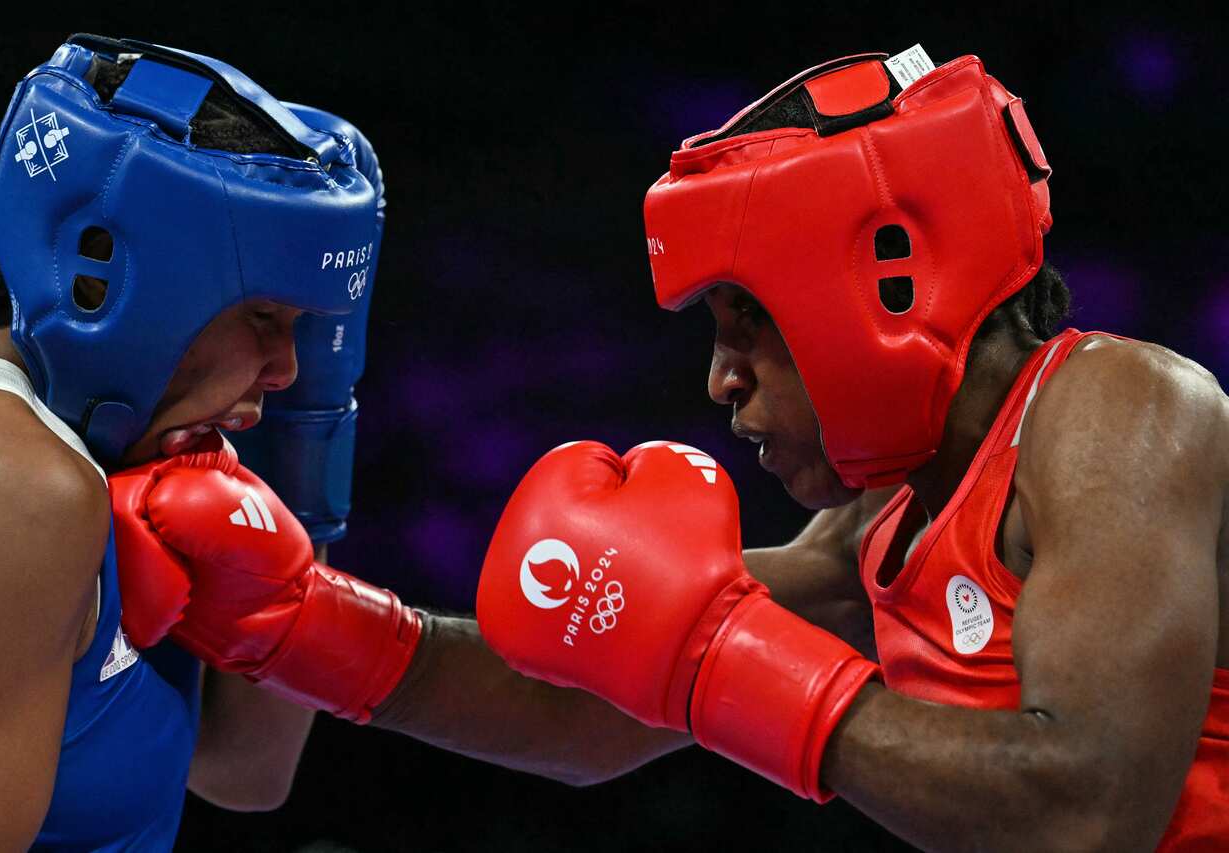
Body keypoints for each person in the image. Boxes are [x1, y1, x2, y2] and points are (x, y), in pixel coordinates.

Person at [0, 33, 689, 850]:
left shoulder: (107, 454)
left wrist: (305, 471)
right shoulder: (17, 489)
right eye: (264, 316)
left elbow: (248, 770)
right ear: (112, 284)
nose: (287, 371)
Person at [474, 51, 1229, 851]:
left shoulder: (1124, 410)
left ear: (883, 284)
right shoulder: (882, 524)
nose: (721, 380)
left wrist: (734, 662)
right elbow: (585, 705)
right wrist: (339, 624)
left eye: (748, 322)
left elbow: (1088, 817)